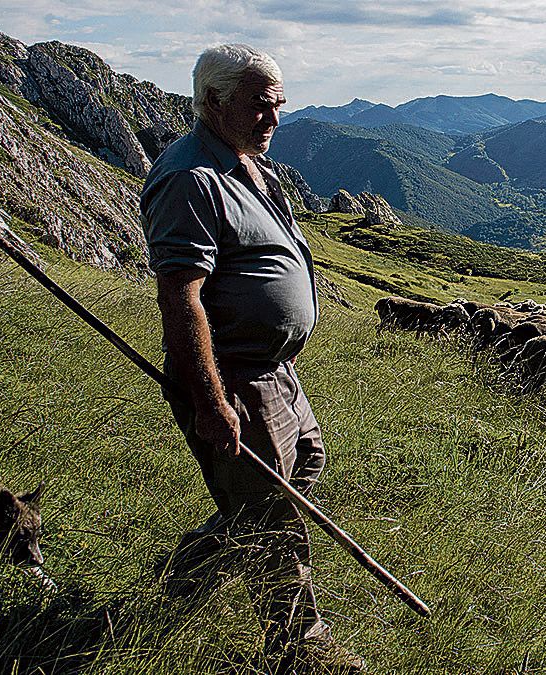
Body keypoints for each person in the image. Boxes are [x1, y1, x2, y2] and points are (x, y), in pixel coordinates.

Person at [140, 43, 361, 674]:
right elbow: (181, 298)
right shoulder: (191, 179)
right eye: (260, 104)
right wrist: (212, 402)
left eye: (279, 104)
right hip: (236, 377)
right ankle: (301, 646)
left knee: (303, 469)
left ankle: (188, 570)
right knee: (275, 516)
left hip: (277, 372)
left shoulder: (247, 165)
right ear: (214, 100)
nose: (274, 118)